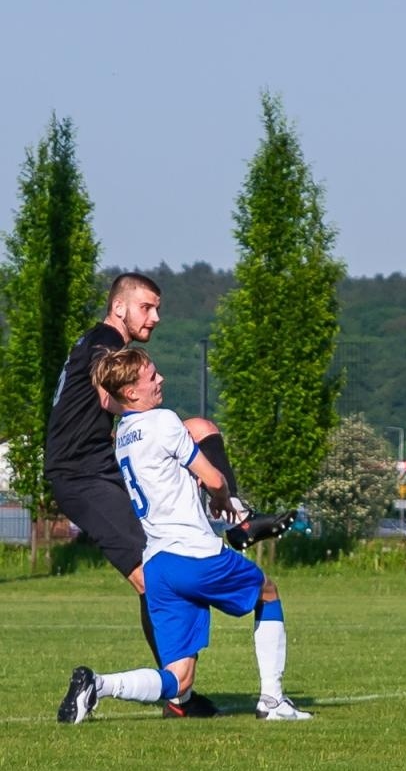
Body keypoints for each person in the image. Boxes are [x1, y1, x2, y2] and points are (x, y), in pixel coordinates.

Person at [43, 273, 292, 717]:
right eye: (147, 308)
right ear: (120, 308)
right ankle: (176, 695)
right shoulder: (105, 341)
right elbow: (106, 388)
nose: (155, 317)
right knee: (148, 576)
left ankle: (236, 514)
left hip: (102, 463)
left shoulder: (111, 350)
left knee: (201, 429)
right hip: (80, 474)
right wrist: (139, 409)